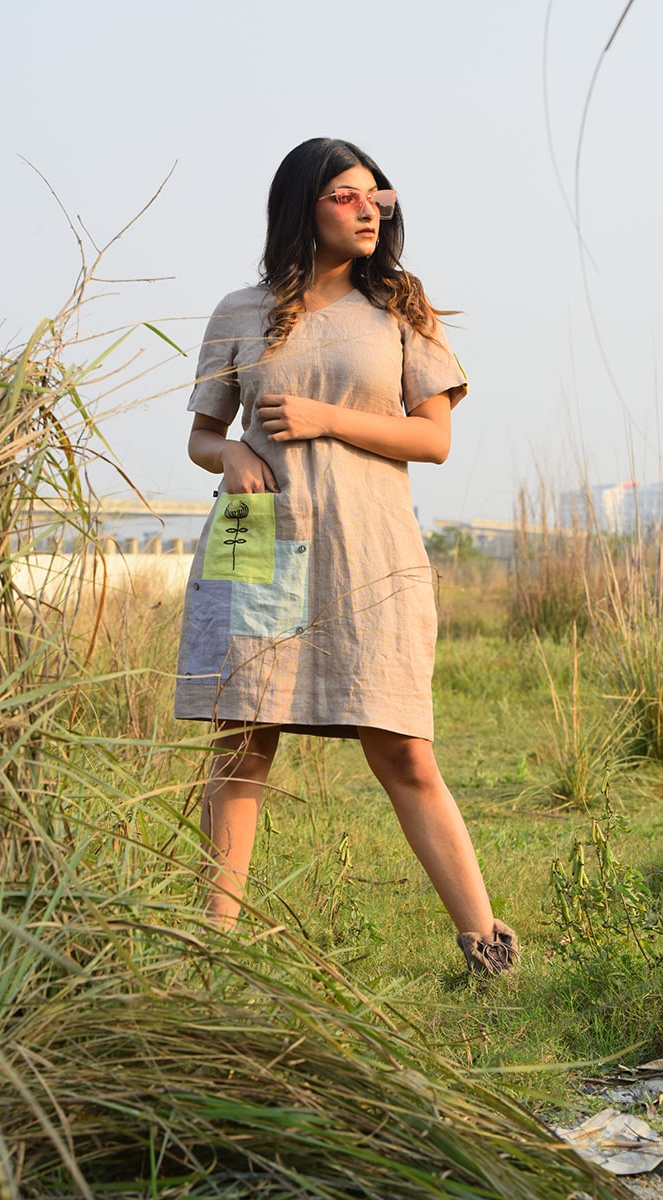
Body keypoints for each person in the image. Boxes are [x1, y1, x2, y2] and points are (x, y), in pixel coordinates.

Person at [175, 137, 517, 975]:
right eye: (346, 196)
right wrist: (234, 457)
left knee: (398, 740)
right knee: (240, 737)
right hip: (255, 535)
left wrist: (327, 421)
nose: (369, 209)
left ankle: (488, 949)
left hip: (368, 539)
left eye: (377, 197)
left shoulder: (400, 308)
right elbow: (200, 436)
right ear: (302, 207)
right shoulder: (240, 311)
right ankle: (214, 954)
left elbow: (432, 439)